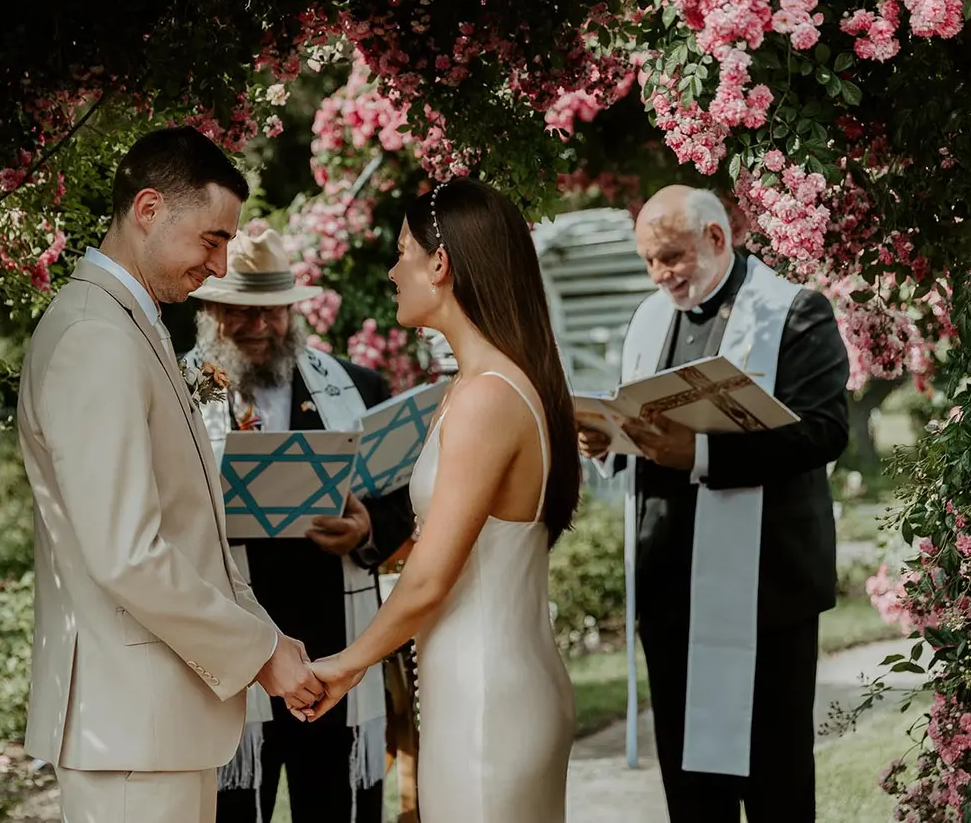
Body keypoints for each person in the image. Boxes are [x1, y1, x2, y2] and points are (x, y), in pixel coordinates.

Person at [15, 127, 323, 823]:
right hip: (129, 733)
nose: (218, 266)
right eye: (211, 239)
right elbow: (130, 553)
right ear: (149, 209)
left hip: (153, 728)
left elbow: (193, 527)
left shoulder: (134, 324)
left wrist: (265, 628)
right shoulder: (97, 336)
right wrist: (259, 650)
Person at [307, 177, 583, 823]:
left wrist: (345, 666)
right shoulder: (480, 384)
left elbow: (432, 578)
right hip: (480, 686)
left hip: (488, 699)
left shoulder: (488, 396)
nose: (392, 268)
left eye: (403, 250)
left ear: (441, 262)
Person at [578, 185, 849, 823]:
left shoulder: (795, 312)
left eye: (671, 257)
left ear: (718, 239)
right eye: (649, 260)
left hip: (767, 590)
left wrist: (700, 454)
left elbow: (824, 430)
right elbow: (641, 427)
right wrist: (606, 440)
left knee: (777, 779)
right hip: (673, 588)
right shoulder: (650, 318)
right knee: (691, 787)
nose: (660, 275)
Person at [183, 228, 414, 823]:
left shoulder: (355, 388)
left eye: (274, 313)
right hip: (234, 643)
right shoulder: (176, 391)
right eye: (242, 312)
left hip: (333, 642)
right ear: (211, 310)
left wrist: (365, 530)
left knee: (336, 807)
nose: (261, 327)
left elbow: (399, 501)